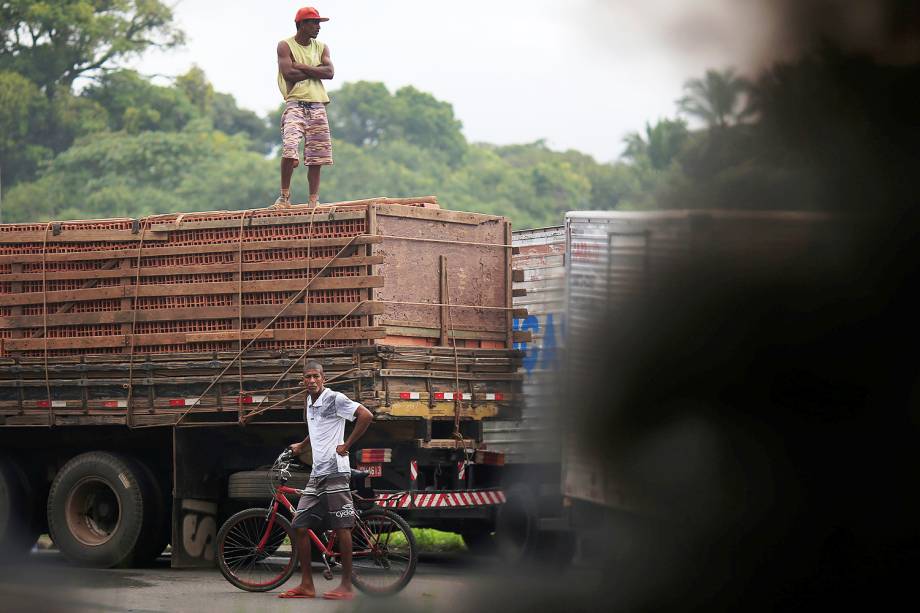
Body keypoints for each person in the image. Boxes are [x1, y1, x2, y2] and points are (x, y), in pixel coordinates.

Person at [279, 360, 373, 600]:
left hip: (336, 471)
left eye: (316, 376)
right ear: (303, 380)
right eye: (307, 377)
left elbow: (365, 415)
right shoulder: (309, 403)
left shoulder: (335, 398)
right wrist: (302, 445)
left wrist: (347, 445)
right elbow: (316, 429)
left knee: (342, 526)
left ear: (324, 378)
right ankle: (307, 585)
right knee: (299, 525)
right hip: (317, 473)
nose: (311, 380)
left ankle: (346, 587)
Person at [272, 6, 335, 209]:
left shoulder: (321, 47)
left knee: (317, 155)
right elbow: (289, 74)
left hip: (317, 104)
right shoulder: (285, 46)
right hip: (295, 103)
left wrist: (302, 67)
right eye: (314, 23)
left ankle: (313, 201)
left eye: (318, 23)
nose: (318, 27)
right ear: (301, 24)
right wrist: (316, 71)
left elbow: (330, 72)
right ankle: (284, 197)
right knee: (290, 148)